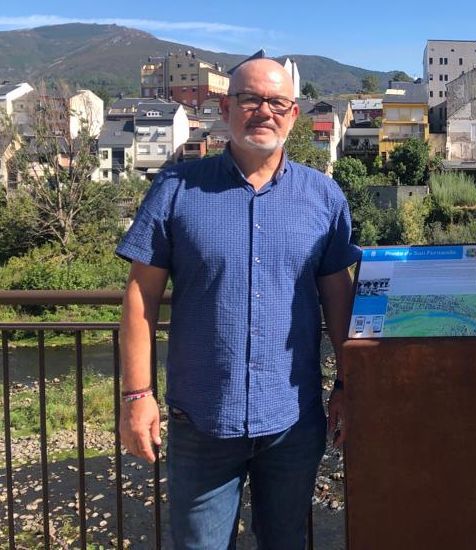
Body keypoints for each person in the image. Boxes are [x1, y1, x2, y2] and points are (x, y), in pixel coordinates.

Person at [116, 57, 359, 548]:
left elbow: (340, 299)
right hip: (202, 418)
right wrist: (136, 397)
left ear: (293, 115)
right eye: (250, 99)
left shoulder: (324, 197)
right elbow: (140, 297)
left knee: (285, 541)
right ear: (225, 107)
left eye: (277, 102)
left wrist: (350, 384)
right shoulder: (176, 189)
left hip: (293, 418)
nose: (263, 111)